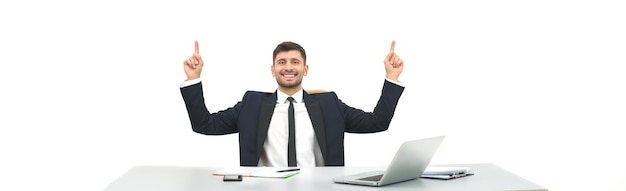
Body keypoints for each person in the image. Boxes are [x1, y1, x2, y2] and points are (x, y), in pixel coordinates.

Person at [180, 40, 405, 167]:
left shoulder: (329, 104)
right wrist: (193, 79)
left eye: (295, 62)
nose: (289, 67)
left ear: (305, 69)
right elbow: (204, 124)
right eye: (282, 62)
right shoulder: (251, 104)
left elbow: (377, 122)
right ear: (273, 70)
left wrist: (391, 78)